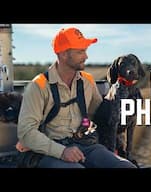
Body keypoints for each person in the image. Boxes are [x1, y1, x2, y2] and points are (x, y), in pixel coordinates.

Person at [17, 27, 136, 168]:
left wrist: (122, 99)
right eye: (80, 52)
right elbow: (26, 133)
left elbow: (97, 116)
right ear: (63, 54)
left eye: (85, 51)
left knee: (126, 167)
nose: (86, 57)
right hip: (49, 152)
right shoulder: (39, 86)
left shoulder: (87, 81)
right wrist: (62, 152)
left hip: (85, 145)